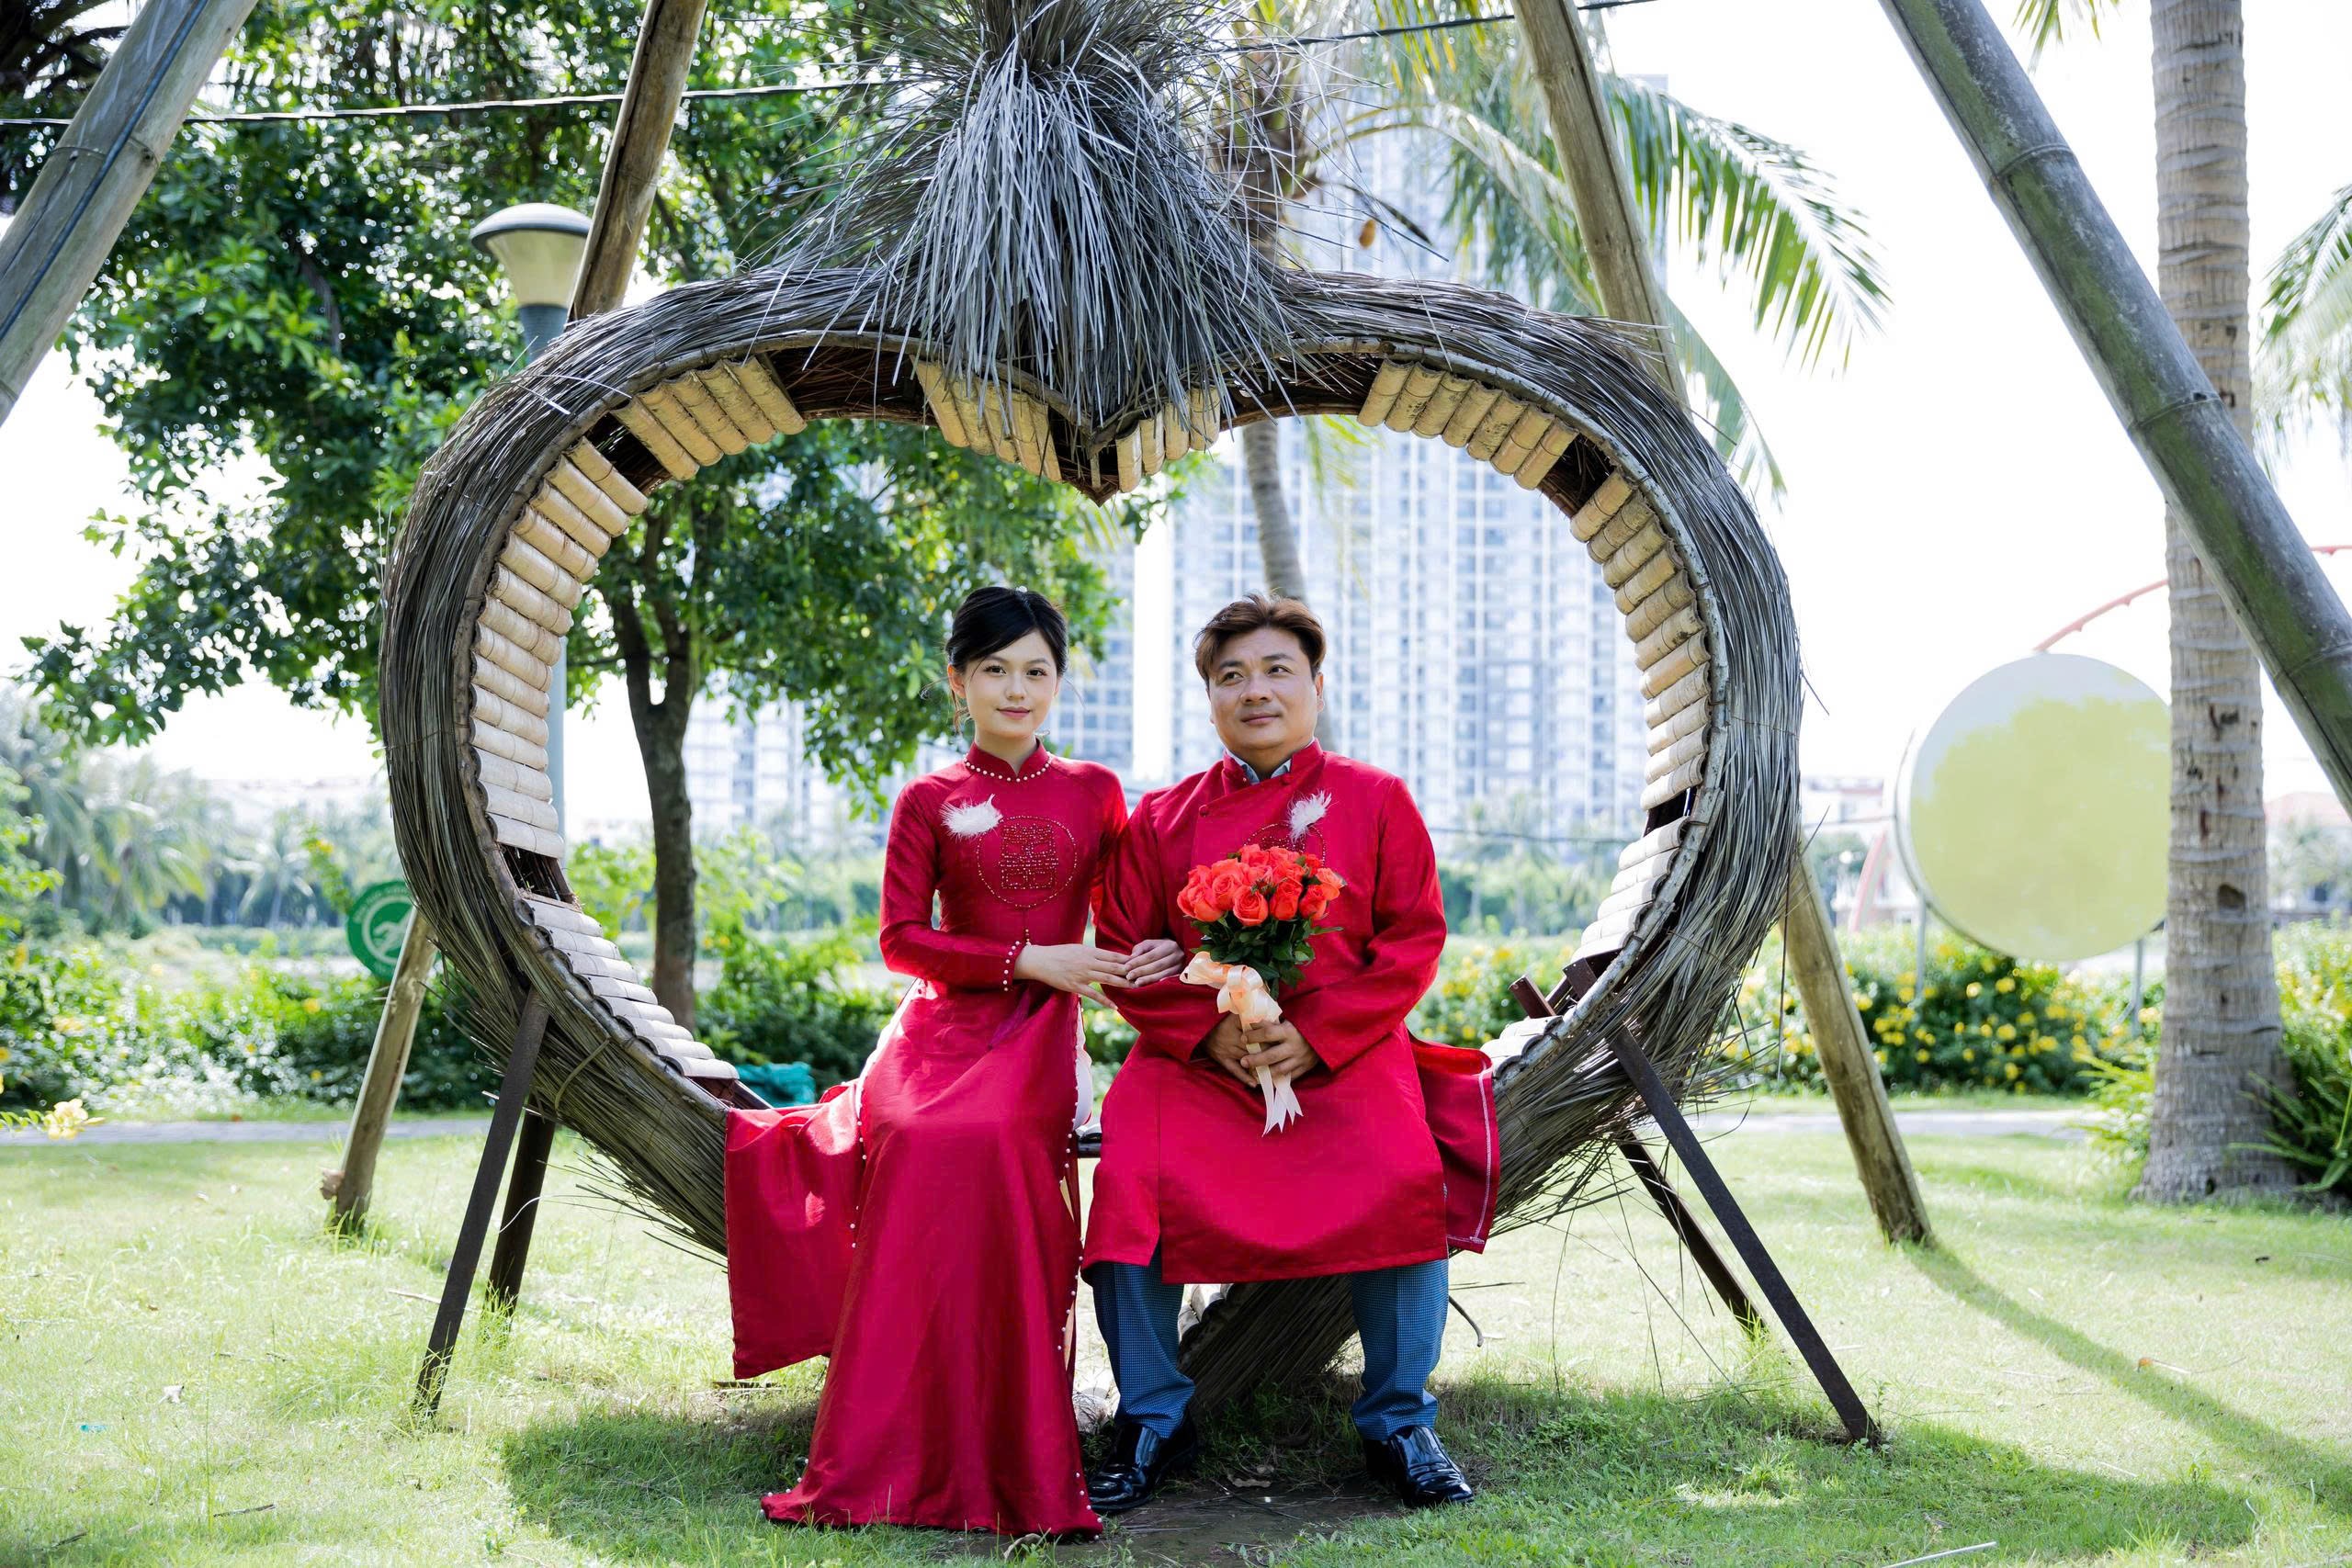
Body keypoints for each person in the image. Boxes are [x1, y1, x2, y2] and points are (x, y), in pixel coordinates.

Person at [724, 585, 1182, 1538]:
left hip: (1042, 1032)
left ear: (1059, 681)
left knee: (997, 1141)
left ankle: (1012, 1450)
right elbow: (900, 939)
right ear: (957, 681)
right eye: (994, 670)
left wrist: (1150, 952)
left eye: (1036, 671)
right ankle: (893, 1447)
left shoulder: (1096, 791)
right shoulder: (929, 798)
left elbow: (1125, 917)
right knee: (916, 1138)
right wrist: (1026, 958)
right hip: (938, 1029)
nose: (1016, 689)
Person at [1084, 593, 1498, 1514]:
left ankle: (1398, 1421)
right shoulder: (1160, 819)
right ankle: (1151, 1416)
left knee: (1403, 1172)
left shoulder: (1377, 799)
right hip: (1199, 1060)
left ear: (1316, 685)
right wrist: (1208, 1031)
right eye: (1231, 676)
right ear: (1209, 700)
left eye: (1277, 670)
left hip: (1344, 1056)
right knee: (1130, 1183)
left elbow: (1414, 940)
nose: (1255, 691)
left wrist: (1318, 1036)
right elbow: (1124, 953)